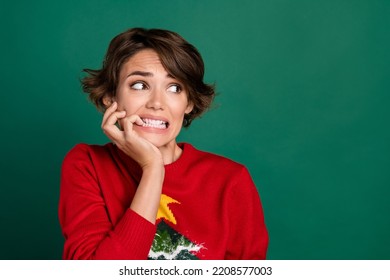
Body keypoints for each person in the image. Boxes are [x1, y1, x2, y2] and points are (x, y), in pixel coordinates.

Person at [58, 27, 268, 260]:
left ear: (188, 103)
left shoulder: (230, 180)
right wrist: (152, 169)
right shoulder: (88, 165)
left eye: (174, 88)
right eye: (139, 85)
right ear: (111, 96)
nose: (157, 103)